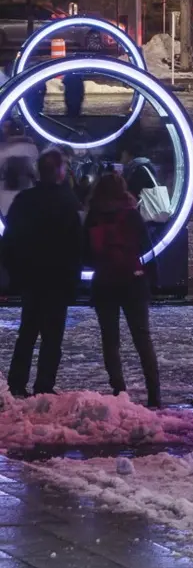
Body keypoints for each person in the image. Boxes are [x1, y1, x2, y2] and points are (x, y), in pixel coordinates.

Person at [3, 150, 85, 397]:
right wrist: (75, 279)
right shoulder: (68, 201)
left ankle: (17, 383)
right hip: (58, 280)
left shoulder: (24, 200)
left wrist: (16, 274)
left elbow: (9, 242)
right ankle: (44, 386)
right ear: (60, 172)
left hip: (32, 278)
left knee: (27, 332)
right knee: (52, 337)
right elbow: (76, 245)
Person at [85, 172, 161, 407]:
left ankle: (119, 392)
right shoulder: (131, 215)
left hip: (105, 284)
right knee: (142, 339)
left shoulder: (94, 216)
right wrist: (152, 280)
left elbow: (85, 254)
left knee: (110, 340)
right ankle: (154, 394)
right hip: (133, 283)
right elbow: (146, 249)